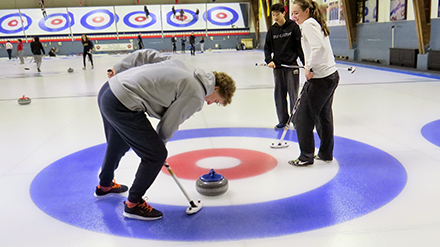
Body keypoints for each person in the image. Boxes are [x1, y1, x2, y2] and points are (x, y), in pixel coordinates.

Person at [98, 48, 236, 220]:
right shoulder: (196, 94)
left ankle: (105, 185)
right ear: (215, 87)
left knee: (118, 143)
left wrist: (119, 67)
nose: (209, 103)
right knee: (155, 155)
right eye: (215, 100)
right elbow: (170, 123)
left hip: (108, 90)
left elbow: (146, 55)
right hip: (122, 102)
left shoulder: (184, 65)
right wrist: (158, 146)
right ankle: (133, 204)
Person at [289, 0, 339, 166]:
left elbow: (319, 48)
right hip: (330, 76)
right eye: (292, 13)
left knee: (302, 118)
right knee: (323, 116)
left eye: (296, 12)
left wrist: (308, 67)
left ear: (307, 11)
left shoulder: (309, 24)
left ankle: (305, 156)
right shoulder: (314, 23)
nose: (293, 16)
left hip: (321, 79)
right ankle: (325, 153)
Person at [264, 3, 304, 129]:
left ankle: (296, 120)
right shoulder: (272, 30)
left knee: (293, 94)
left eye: (277, 14)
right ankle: (282, 120)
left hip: (291, 66)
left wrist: (306, 63)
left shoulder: (293, 27)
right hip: (278, 67)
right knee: (279, 94)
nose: (275, 17)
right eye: (273, 15)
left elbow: (299, 47)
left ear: (284, 13)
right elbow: (267, 47)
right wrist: (268, 60)